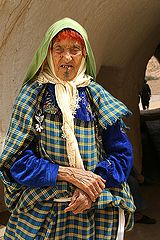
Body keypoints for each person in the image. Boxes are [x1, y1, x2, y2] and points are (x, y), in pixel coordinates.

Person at [0, 18, 135, 239]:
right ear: (48, 54)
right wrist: (68, 174)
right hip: (43, 211)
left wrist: (91, 185)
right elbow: (15, 161)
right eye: (59, 49)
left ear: (85, 55)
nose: (67, 58)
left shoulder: (98, 97)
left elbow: (121, 155)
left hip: (93, 211)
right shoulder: (33, 95)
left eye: (75, 50)